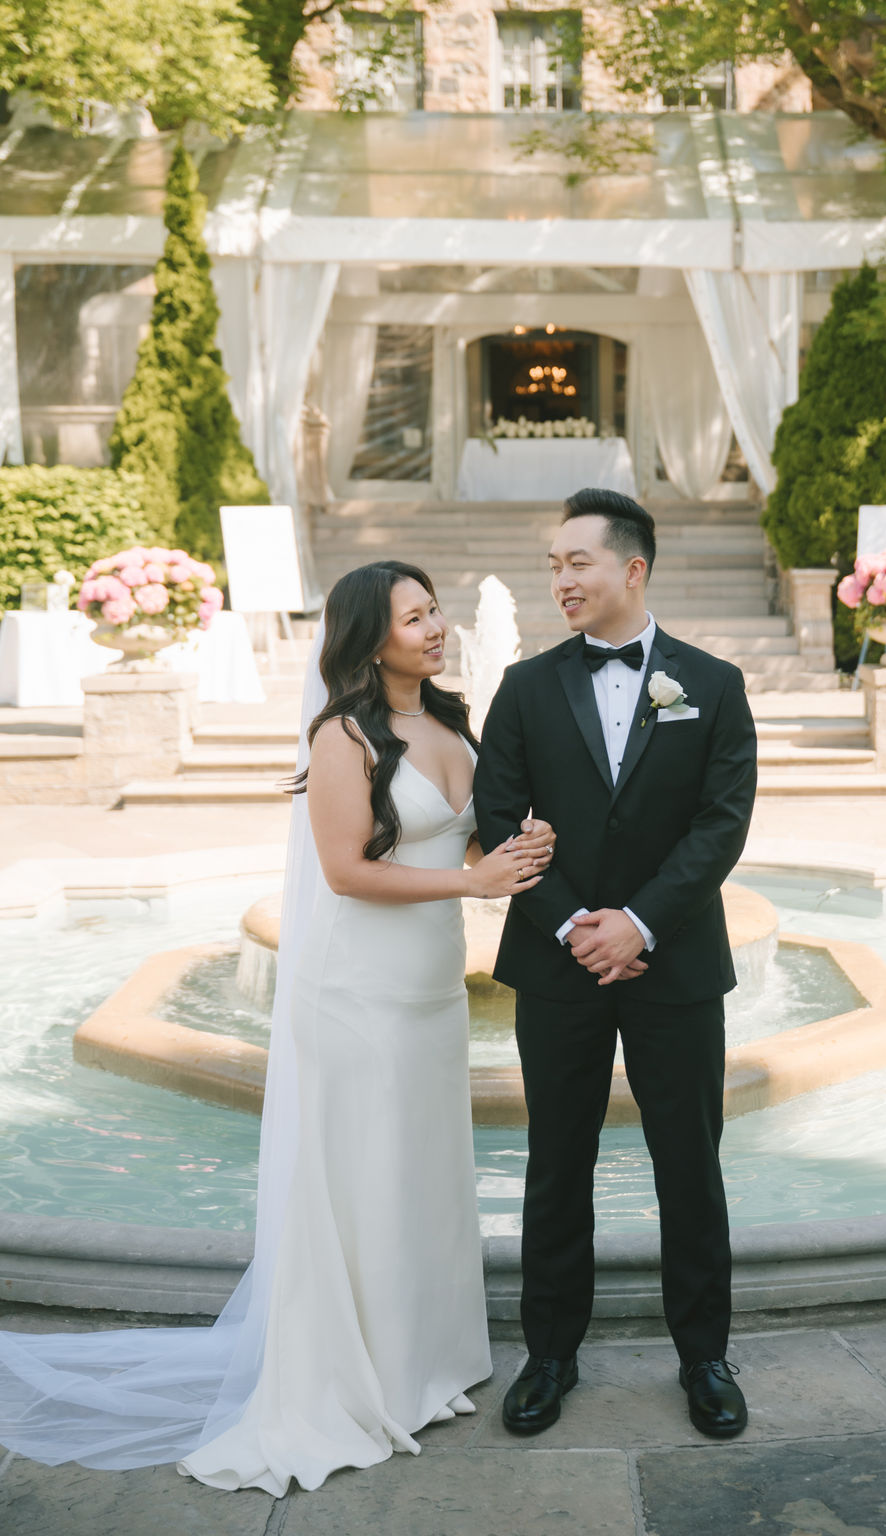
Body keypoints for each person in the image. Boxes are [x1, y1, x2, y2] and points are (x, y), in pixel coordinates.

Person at [0, 560, 555, 1495]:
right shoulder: (343, 736)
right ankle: (358, 1377)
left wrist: (516, 848)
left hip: (431, 991)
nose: (435, 627)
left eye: (435, 611)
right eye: (413, 618)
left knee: (422, 1169)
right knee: (366, 1175)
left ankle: (425, 1361)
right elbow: (345, 870)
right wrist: (474, 882)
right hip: (359, 991)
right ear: (369, 637)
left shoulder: (451, 720)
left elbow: (458, 837)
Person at [473, 488, 758, 1441]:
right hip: (557, 966)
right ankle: (550, 1354)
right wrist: (574, 926)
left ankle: (705, 1358)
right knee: (558, 1161)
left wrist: (638, 923)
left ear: (632, 569)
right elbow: (500, 817)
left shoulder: (714, 683)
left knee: (690, 1164)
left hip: (677, 965)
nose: (560, 579)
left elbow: (721, 825)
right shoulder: (523, 687)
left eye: (577, 562)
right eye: (553, 565)